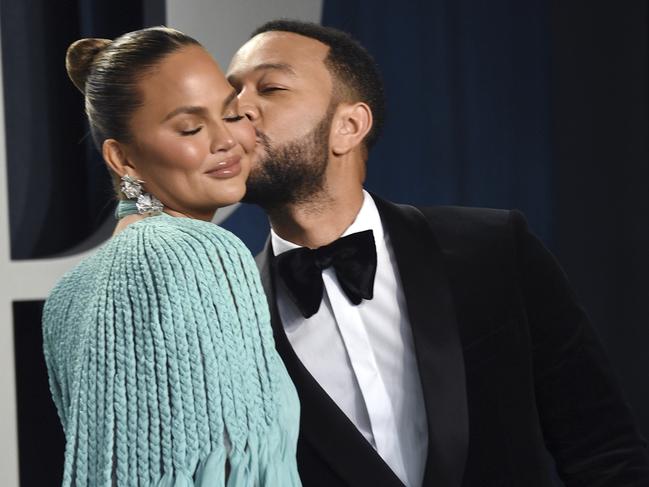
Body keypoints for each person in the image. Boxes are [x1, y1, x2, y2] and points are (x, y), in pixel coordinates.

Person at [226, 19, 649, 487]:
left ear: (348, 126)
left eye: (270, 87)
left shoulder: (494, 248)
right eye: (232, 94)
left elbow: (604, 448)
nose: (238, 109)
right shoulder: (230, 313)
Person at [42, 26, 301, 487]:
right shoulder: (202, 252)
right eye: (191, 127)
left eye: (230, 114)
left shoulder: (66, 296)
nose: (226, 141)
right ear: (123, 159)